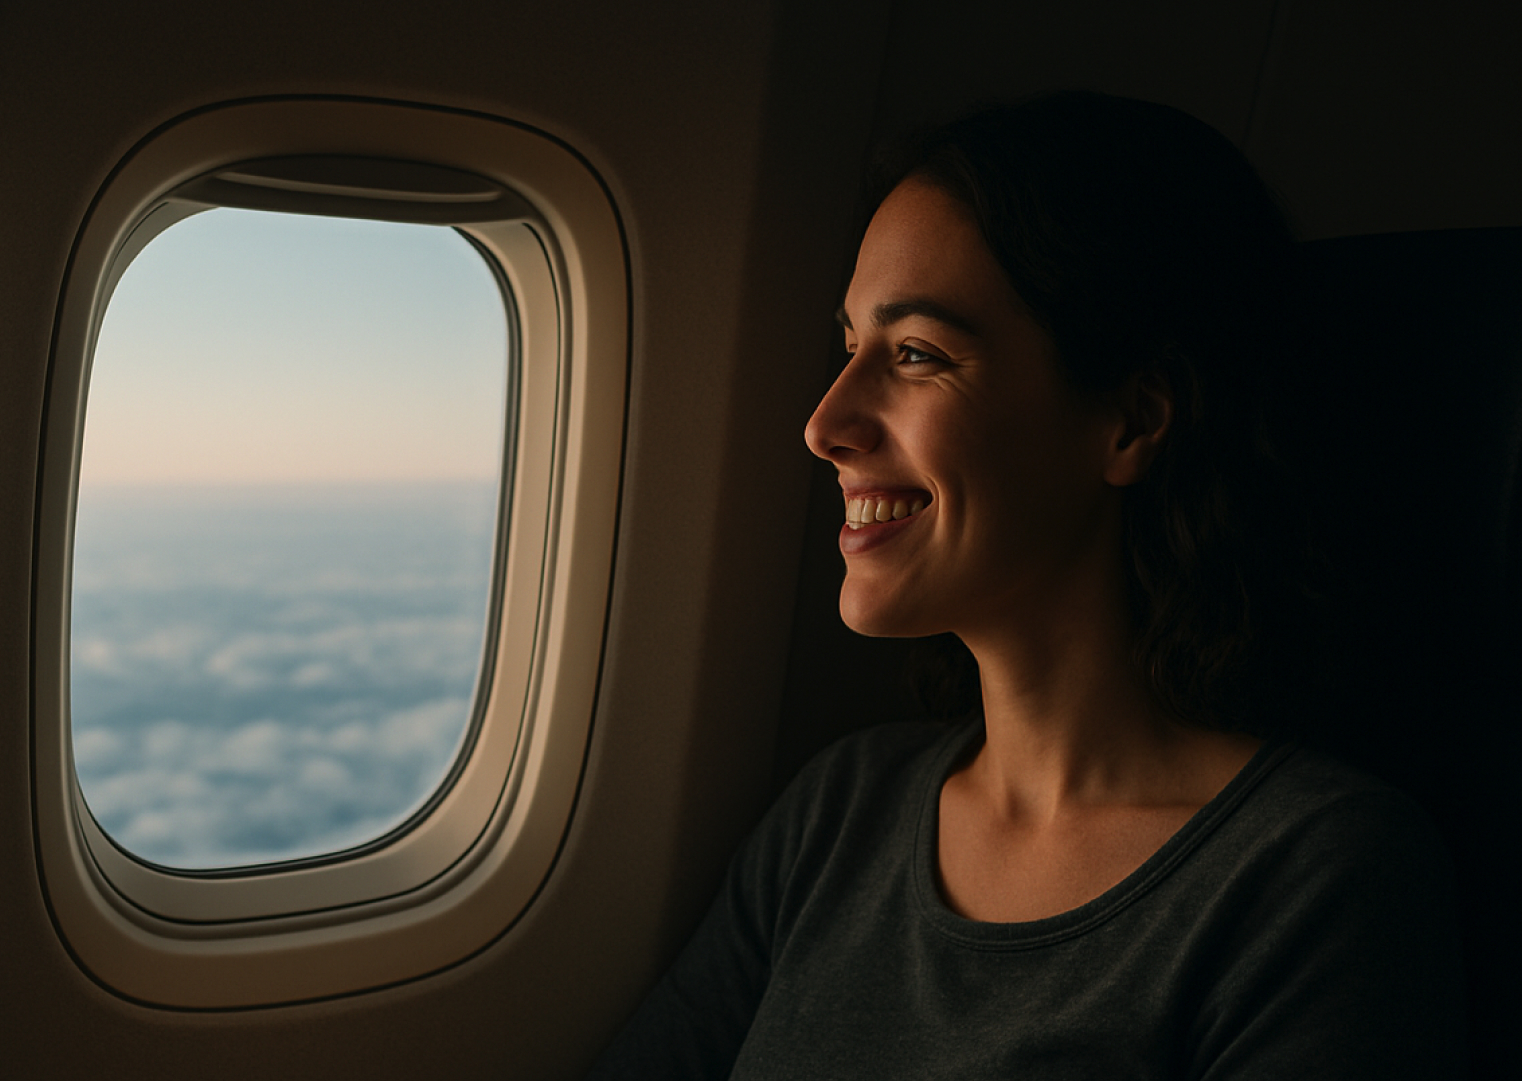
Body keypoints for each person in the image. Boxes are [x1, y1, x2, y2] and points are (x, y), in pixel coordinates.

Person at [586, 91, 1466, 1079]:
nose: (826, 423)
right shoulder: (841, 812)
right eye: (850, 350)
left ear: (1128, 421)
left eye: (916, 354)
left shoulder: (1308, 879)